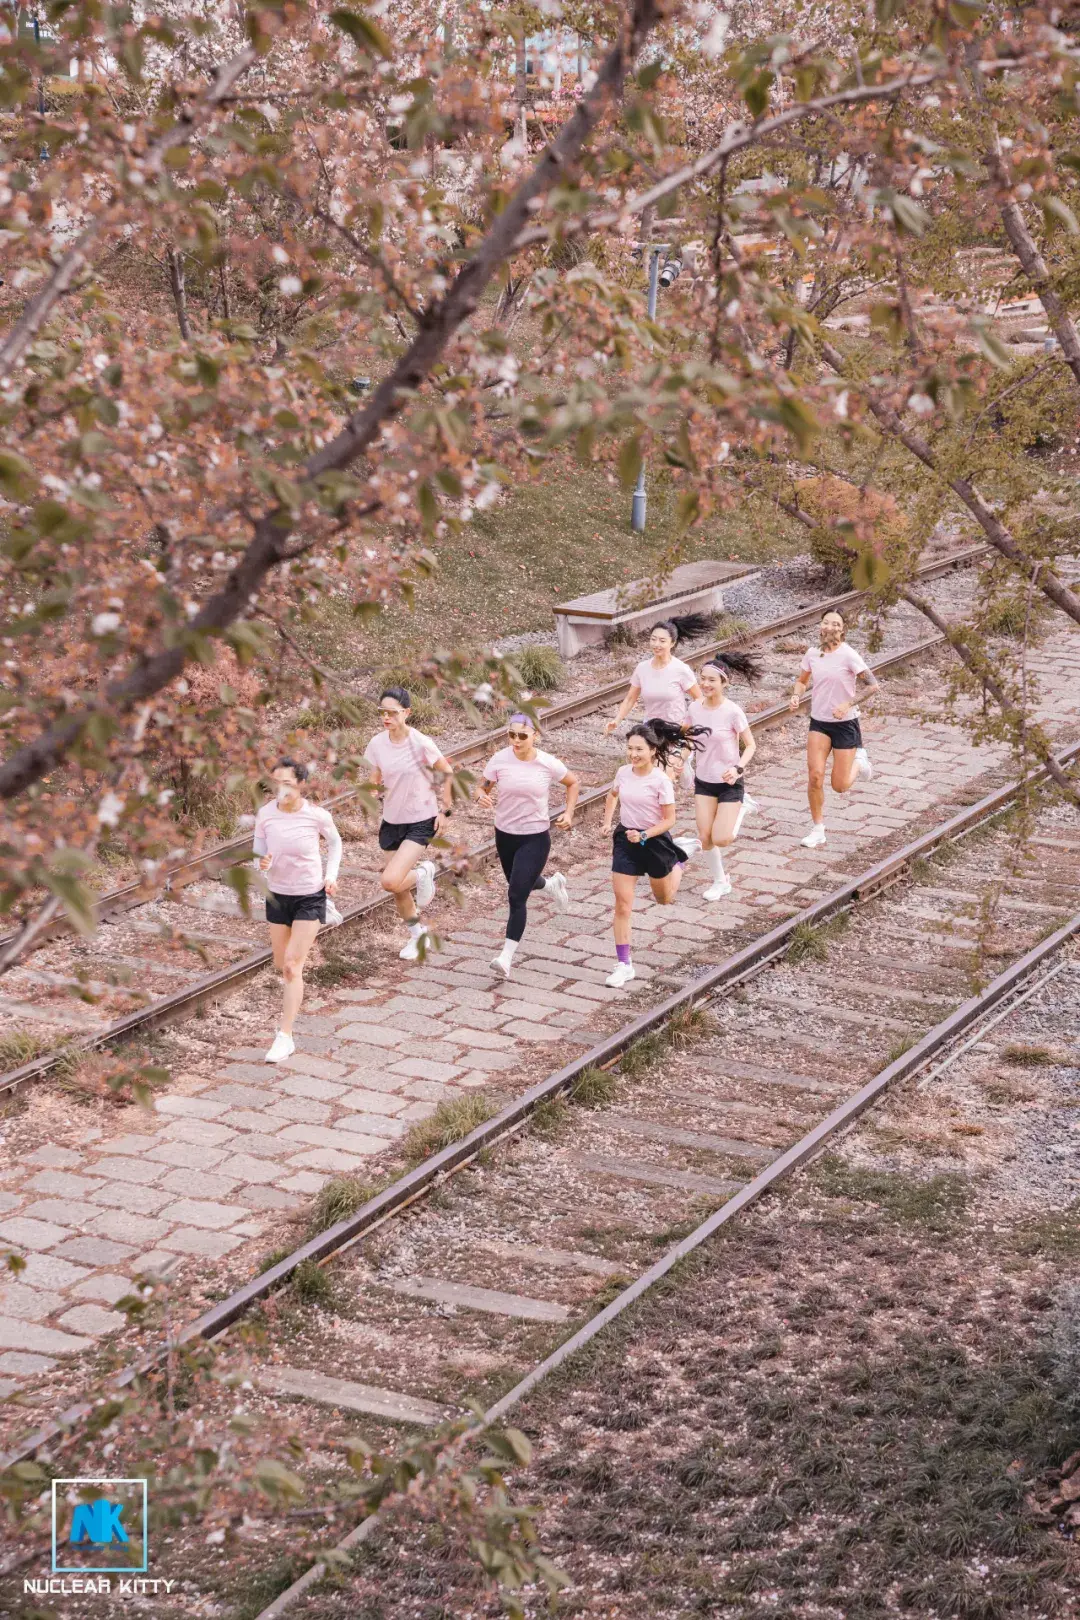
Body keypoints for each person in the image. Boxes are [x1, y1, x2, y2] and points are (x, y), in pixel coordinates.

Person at [600, 719, 704, 988]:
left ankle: (679, 860)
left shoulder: (660, 781)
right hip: (625, 841)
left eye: (639, 750)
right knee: (623, 904)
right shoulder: (623, 773)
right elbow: (612, 795)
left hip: (654, 841)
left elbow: (669, 820)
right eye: (630, 748)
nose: (633, 755)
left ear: (652, 750)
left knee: (664, 899)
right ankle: (624, 964)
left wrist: (645, 835)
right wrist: (607, 821)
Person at [475, 713, 580, 978]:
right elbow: (482, 787)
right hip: (505, 835)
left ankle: (505, 958)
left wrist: (569, 813)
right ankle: (551, 884)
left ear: (535, 735)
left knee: (516, 894)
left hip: (535, 837)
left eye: (523, 735)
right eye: (512, 735)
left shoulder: (547, 763)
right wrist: (480, 796)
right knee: (520, 880)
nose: (516, 740)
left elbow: (573, 782)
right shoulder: (500, 759)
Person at [254, 758, 343, 1064]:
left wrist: (330, 876)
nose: (281, 789)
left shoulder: (316, 815)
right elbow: (258, 850)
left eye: (287, 783)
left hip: (309, 894)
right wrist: (261, 863)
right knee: (281, 964)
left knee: (292, 965)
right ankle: (324, 914)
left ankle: (285, 1036)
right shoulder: (265, 814)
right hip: (278, 895)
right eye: (276, 783)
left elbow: (335, 843)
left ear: (301, 785)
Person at [363, 686, 454, 960]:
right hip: (391, 822)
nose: (386, 718)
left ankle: (425, 872)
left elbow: (447, 772)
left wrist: (445, 810)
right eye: (382, 713)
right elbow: (376, 775)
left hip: (420, 820)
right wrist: (370, 790)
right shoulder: (377, 743)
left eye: (392, 713)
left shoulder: (420, 743)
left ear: (407, 713)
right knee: (399, 890)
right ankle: (418, 937)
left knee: (391, 881)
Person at [789, 610, 878, 848]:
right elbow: (802, 680)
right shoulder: (812, 654)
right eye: (826, 622)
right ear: (820, 627)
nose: (830, 626)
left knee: (839, 786)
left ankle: (860, 761)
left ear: (842, 630)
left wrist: (848, 703)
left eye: (836, 624)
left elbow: (873, 686)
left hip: (845, 724)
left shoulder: (849, 655)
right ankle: (818, 829)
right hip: (819, 722)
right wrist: (797, 695)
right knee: (815, 776)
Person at [687, 652, 761, 900]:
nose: (706, 685)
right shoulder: (694, 708)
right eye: (702, 679)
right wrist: (680, 758)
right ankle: (721, 881)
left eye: (712, 680)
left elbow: (750, 745)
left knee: (722, 838)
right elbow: (688, 738)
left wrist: (738, 768)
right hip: (704, 782)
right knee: (705, 836)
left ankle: (742, 807)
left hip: (729, 782)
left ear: (724, 683)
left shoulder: (732, 711)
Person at [604, 620, 703, 781]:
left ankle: (683, 766)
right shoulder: (642, 668)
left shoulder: (681, 669)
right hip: (651, 731)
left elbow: (699, 699)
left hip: (677, 730)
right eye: (653, 639)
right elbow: (630, 698)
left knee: (666, 777)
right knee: (652, 775)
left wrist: (690, 724)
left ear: (672, 643)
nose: (656, 644)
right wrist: (617, 720)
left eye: (662, 641)